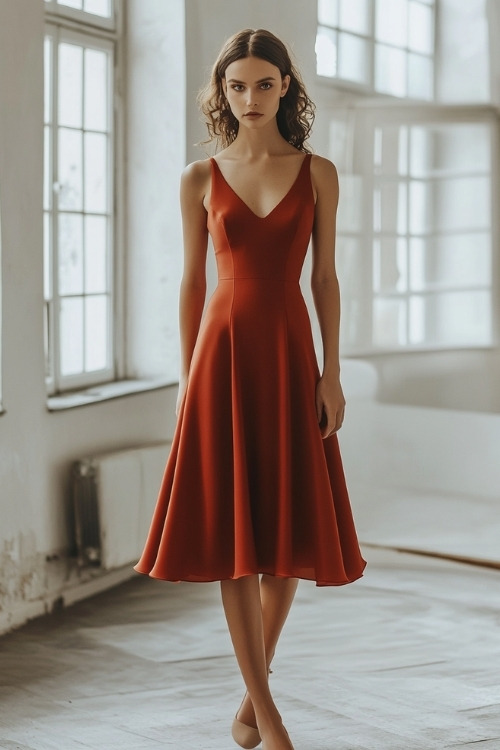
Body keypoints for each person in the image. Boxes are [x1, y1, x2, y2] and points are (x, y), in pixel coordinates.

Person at [134, 28, 366, 750]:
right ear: (222, 92)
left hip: (290, 349)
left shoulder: (318, 172)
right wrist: (183, 378)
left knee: (286, 526)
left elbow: (324, 279)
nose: (251, 98)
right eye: (238, 86)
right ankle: (267, 717)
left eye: (265, 84)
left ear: (287, 87)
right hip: (221, 355)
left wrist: (331, 371)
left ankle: (250, 699)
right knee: (239, 536)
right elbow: (191, 282)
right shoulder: (198, 177)